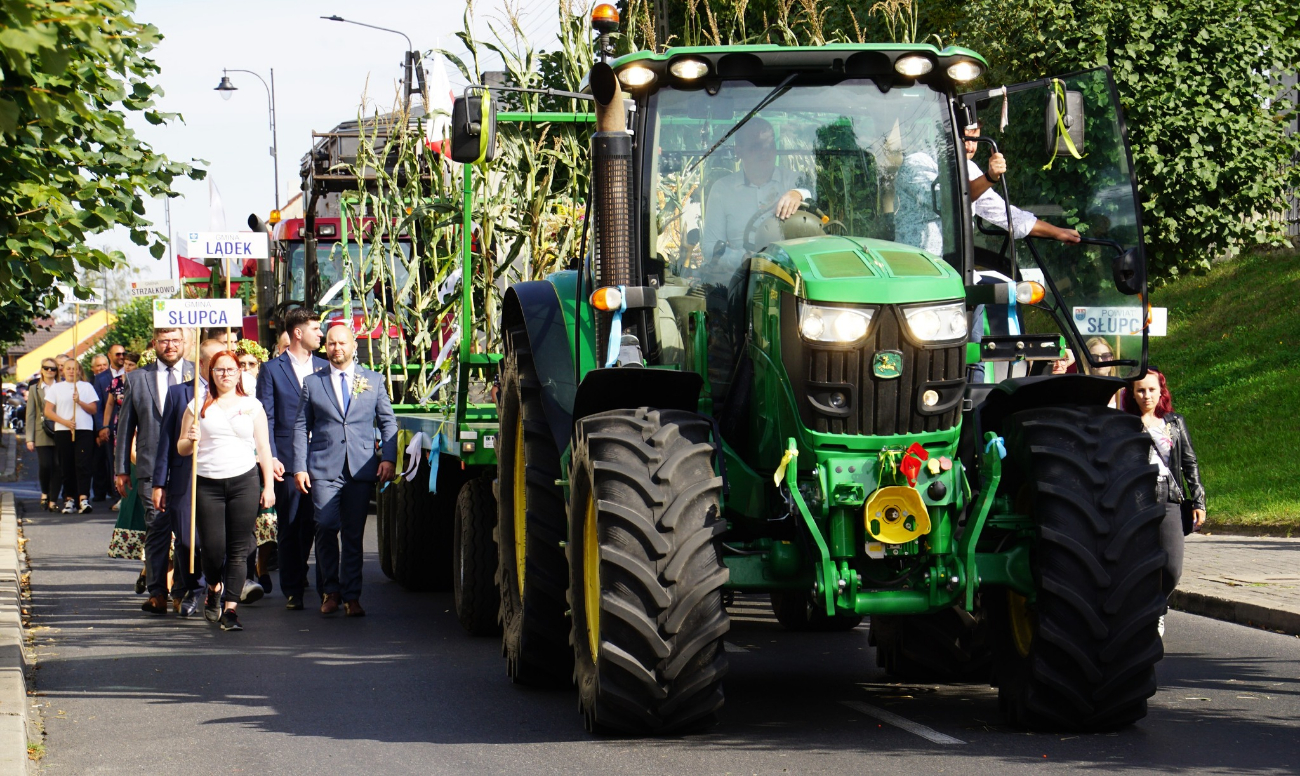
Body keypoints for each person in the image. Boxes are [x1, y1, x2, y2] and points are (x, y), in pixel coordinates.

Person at [293, 324, 397, 616]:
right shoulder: (313, 383)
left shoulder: (373, 381)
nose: (336, 348)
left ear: (353, 346)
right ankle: (330, 590)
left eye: (342, 343)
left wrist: (388, 458)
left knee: (353, 534)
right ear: (325, 347)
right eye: (331, 343)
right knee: (325, 526)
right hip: (324, 467)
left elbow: (388, 422)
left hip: (360, 468)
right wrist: (299, 467)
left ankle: (352, 596)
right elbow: (302, 427)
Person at [178, 350, 277, 632]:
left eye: (231, 370)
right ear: (211, 373)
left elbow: (264, 447)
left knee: (238, 548)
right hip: (207, 482)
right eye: (219, 370)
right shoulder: (197, 404)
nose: (225, 375)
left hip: (244, 481)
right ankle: (213, 587)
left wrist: (268, 486)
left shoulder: (252, 406)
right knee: (211, 548)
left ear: (239, 373)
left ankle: (231, 609)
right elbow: (181, 447)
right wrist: (191, 439)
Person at [115, 327, 195, 615]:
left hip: (189, 467)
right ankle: (157, 593)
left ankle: (184, 592)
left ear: (184, 342)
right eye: (164, 341)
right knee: (158, 529)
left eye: (175, 340)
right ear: (155, 344)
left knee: (186, 533)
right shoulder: (137, 379)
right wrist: (122, 469)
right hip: (149, 467)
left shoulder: (198, 376)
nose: (170, 345)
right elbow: (124, 429)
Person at [1124, 369, 1206, 635]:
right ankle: (1144, 610)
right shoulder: (1125, 423)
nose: (1146, 395)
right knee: (1138, 564)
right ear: (1132, 393)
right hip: (1136, 501)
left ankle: (1158, 607)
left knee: (1171, 568)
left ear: (1161, 391)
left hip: (1169, 498)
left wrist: (1199, 501)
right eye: (1140, 390)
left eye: (1151, 390)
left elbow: (1189, 463)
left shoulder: (1174, 422)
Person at [259, 308, 328, 610]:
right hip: (286, 459)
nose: (321, 333)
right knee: (290, 524)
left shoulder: (325, 367)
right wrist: (271, 456)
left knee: (317, 523)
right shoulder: (272, 369)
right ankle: (292, 589)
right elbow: (267, 418)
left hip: (323, 456)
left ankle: (311, 577)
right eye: (315, 328)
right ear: (297, 333)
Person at [154, 339, 227, 616]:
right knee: (187, 540)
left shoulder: (233, 394)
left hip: (222, 477)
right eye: (217, 362)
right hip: (186, 479)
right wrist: (160, 483)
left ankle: (213, 588)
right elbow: (167, 440)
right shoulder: (179, 393)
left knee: (216, 541)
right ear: (205, 364)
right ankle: (193, 589)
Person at [700, 117, 813, 278]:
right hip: (741, 280)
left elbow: (816, 195)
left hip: (793, 277)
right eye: (757, 146)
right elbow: (710, 248)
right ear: (739, 151)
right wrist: (743, 259)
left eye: (770, 145)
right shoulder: (722, 190)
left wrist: (799, 193)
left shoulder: (793, 182)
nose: (765, 152)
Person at [964, 121, 1081, 244]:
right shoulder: (944, 168)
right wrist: (990, 177)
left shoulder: (969, 168)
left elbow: (1003, 214)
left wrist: (1057, 232)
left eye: (975, 140)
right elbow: (961, 196)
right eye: (965, 140)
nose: (970, 147)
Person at [106, 352, 148, 593]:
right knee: (144, 525)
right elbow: (128, 437)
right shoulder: (137, 392)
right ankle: (151, 571)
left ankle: (158, 577)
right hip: (141, 467)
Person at [43, 360, 99, 514]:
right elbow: (48, 411)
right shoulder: (57, 388)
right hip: (63, 430)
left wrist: (79, 401)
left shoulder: (86, 387)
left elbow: (93, 409)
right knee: (66, 465)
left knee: (83, 464)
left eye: (74, 369)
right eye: (68, 368)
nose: (71, 371)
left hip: (84, 430)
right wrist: (65, 422)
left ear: (79, 371)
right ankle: (69, 499)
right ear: (63, 371)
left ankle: (83, 498)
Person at [25, 359, 60, 511]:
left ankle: (53, 499)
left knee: (58, 466)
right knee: (45, 464)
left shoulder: (61, 387)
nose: (50, 371)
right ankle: (45, 492)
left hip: (60, 429)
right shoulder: (35, 388)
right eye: (47, 368)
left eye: (53, 369)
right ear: (41, 370)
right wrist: (29, 438)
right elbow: (30, 414)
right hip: (41, 430)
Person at [92, 344, 126, 506]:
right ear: (110, 355)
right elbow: (99, 405)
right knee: (109, 461)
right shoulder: (100, 378)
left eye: (123, 354)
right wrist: (102, 427)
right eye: (117, 354)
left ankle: (122, 494)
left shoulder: (132, 374)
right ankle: (113, 494)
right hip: (110, 426)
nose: (121, 356)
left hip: (127, 426)